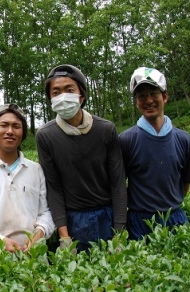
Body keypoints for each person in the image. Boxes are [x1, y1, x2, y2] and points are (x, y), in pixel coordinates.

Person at [36, 64, 127, 252]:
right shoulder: (46, 135)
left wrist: (118, 232)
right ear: (50, 99)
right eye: (56, 92)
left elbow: (118, 183)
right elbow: (54, 187)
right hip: (72, 221)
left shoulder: (105, 129)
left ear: (82, 95)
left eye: (69, 90)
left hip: (107, 216)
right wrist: (64, 237)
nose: (62, 97)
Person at [0, 104, 55, 252]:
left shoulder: (36, 170)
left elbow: (47, 211)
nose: (10, 131)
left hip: (33, 256)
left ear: (23, 133)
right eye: (4, 125)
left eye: (16, 126)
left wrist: (39, 233)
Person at [119, 67, 190, 240]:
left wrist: (169, 204)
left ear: (165, 97)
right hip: (139, 222)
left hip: (175, 218)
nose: (149, 100)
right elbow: (118, 185)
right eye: (141, 96)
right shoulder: (126, 140)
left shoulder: (183, 139)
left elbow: (185, 182)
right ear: (136, 102)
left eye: (154, 93)